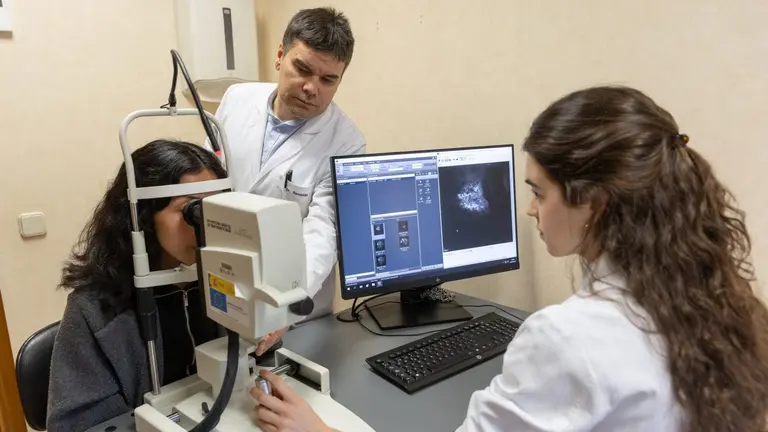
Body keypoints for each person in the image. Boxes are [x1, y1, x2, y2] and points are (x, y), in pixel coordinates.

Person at [248, 86, 768, 432]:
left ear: (595, 201)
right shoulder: (705, 297)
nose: (530, 210)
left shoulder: (568, 338)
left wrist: (323, 431)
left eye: (540, 192)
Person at [208, 7, 365, 356]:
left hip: (296, 311)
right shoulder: (236, 99)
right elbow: (208, 177)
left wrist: (286, 305)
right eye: (303, 69)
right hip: (221, 281)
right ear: (280, 56)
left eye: (329, 80)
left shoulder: (347, 144)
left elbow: (323, 232)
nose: (312, 89)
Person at [47, 140, 227, 431]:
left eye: (215, 208)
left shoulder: (225, 281)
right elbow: (79, 425)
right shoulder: (94, 309)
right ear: (142, 215)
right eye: (192, 211)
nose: (207, 226)